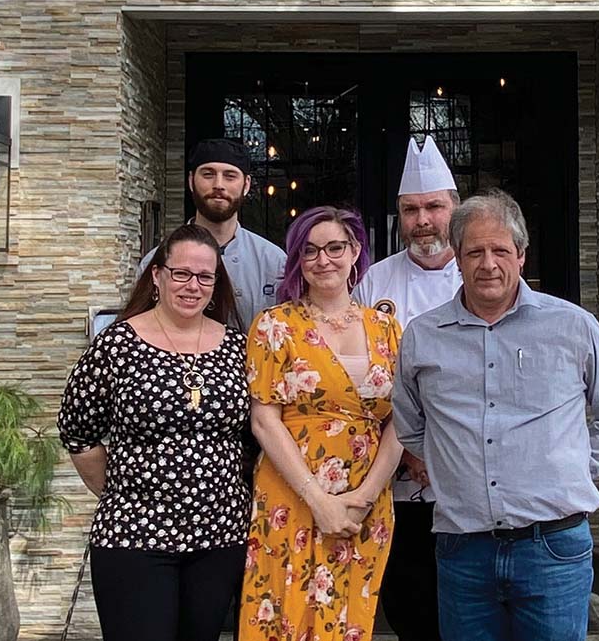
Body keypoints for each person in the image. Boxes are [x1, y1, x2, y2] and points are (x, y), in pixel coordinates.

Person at [392, 190, 599, 641]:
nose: (488, 264)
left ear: (521, 256)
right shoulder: (423, 337)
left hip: (553, 548)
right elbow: (411, 424)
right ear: (457, 258)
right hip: (462, 548)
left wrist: (570, 467)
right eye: (474, 251)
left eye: (500, 251)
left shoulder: (572, 326)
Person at [59, 222, 251, 641]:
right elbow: (78, 431)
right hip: (135, 534)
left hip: (219, 536)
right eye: (181, 273)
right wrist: (124, 491)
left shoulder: (237, 347)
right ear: (158, 276)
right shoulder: (117, 346)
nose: (192, 285)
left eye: (204, 277)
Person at [240, 206, 404, 641]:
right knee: (284, 610)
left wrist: (363, 498)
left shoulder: (387, 328)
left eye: (335, 247)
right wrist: (318, 499)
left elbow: (404, 419)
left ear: (355, 253)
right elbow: (263, 419)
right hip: (291, 492)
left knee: (350, 616)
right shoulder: (273, 326)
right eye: (309, 251)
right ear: (297, 260)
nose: (323, 260)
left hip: (365, 498)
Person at [355, 135, 462, 641]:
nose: (423, 220)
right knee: (407, 601)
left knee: (467, 605)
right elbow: (357, 374)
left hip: (466, 479)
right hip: (395, 479)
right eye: (411, 209)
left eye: (434, 207)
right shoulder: (374, 282)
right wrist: (407, 451)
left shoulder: (481, 274)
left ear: (454, 208)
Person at [138, 137, 286, 334]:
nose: (218, 184)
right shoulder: (156, 262)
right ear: (191, 181)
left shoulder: (275, 262)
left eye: (230, 176)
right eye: (208, 174)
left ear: (247, 184)